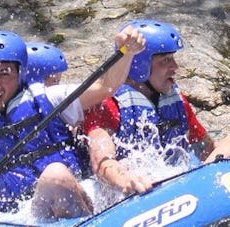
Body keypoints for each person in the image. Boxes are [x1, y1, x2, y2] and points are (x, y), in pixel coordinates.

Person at [0, 28, 145, 226]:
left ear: (20, 74)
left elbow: (105, 86)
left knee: (54, 177)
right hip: (18, 218)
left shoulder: (48, 97)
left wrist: (126, 52)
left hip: (78, 197)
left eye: (4, 73)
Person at [83, 19, 217, 195]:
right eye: (166, 60)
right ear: (140, 66)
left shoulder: (177, 100)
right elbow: (102, 162)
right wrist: (125, 181)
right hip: (130, 194)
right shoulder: (107, 106)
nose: (175, 67)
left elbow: (208, 150)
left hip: (174, 183)